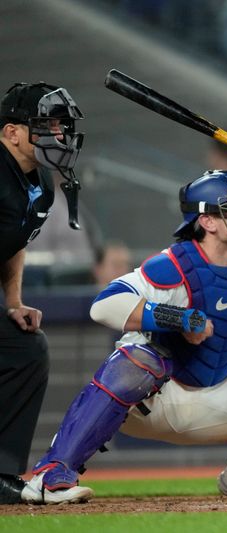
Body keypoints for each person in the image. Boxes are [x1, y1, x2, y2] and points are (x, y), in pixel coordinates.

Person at [21, 168, 227, 504]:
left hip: (217, 395)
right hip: (155, 402)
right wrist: (180, 318)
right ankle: (51, 476)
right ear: (208, 221)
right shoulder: (175, 264)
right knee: (137, 360)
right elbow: (105, 305)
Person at [0, 82, 85, 505]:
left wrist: (13, 302)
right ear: (11, 132)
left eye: (59, 125)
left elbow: (13, 243)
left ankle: (1, 474)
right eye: (45, 124)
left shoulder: (42, 183)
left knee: (25, 349)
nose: (57, 133)